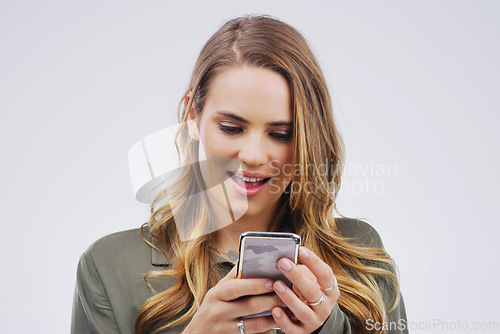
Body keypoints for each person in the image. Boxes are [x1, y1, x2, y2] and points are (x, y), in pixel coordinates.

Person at [72, 15, 408, 334]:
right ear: (193, 116)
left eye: (281, 134)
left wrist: (329, 329)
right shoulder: (109, 268)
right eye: (232, 128)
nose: (253, 156)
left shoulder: (360, 258)